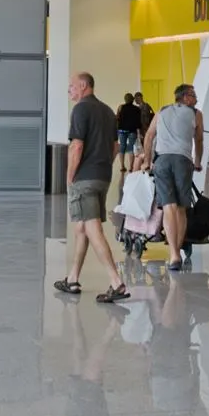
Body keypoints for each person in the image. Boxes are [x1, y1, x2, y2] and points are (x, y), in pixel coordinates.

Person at [54, 73, 130, 303]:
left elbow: (76, 146)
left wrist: (69, 177)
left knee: (92, 228)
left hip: (84, 178)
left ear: (84, 86)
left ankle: (116, 282)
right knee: (82, 227)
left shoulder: (80, 109)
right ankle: (73, 278)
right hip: (103, 176)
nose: (69, 91)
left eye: (71, 87)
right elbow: (116, 146)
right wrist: (104, 162)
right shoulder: (107, 111)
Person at [142, 83, 204, 271]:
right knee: (181, 208)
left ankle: (173, 255)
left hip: (161, 161)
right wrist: (198, 161)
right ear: (185, 97)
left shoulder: (161, 111)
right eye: (193, 95)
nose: (196, 99)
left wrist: (147, 160)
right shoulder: (196, 114)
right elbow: (199, 139)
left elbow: (149, 135)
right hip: (182, 161)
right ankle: (177, 251)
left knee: (168, 206)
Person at [116, 92, 142, 175]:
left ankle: (122, 166)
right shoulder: (137, 109)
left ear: (125, 99)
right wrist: (139, 131)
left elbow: (117, 118)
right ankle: (131, 167)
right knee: (131, 148)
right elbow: (138, 121)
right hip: (132, 130)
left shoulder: (121, 107)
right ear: (133, 100)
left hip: (122, 130)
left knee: (122, 147)